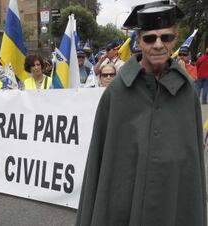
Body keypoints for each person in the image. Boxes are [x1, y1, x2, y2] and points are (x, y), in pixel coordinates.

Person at [76, 2, 206, 226]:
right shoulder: (117, 92)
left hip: (171, 201)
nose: (158, 45)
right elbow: (102, 159)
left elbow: (191, 166)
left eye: (165, 37)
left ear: (174, 40)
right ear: (138, 41)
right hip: (123, 203)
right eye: (149, 38)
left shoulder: (187, 93)